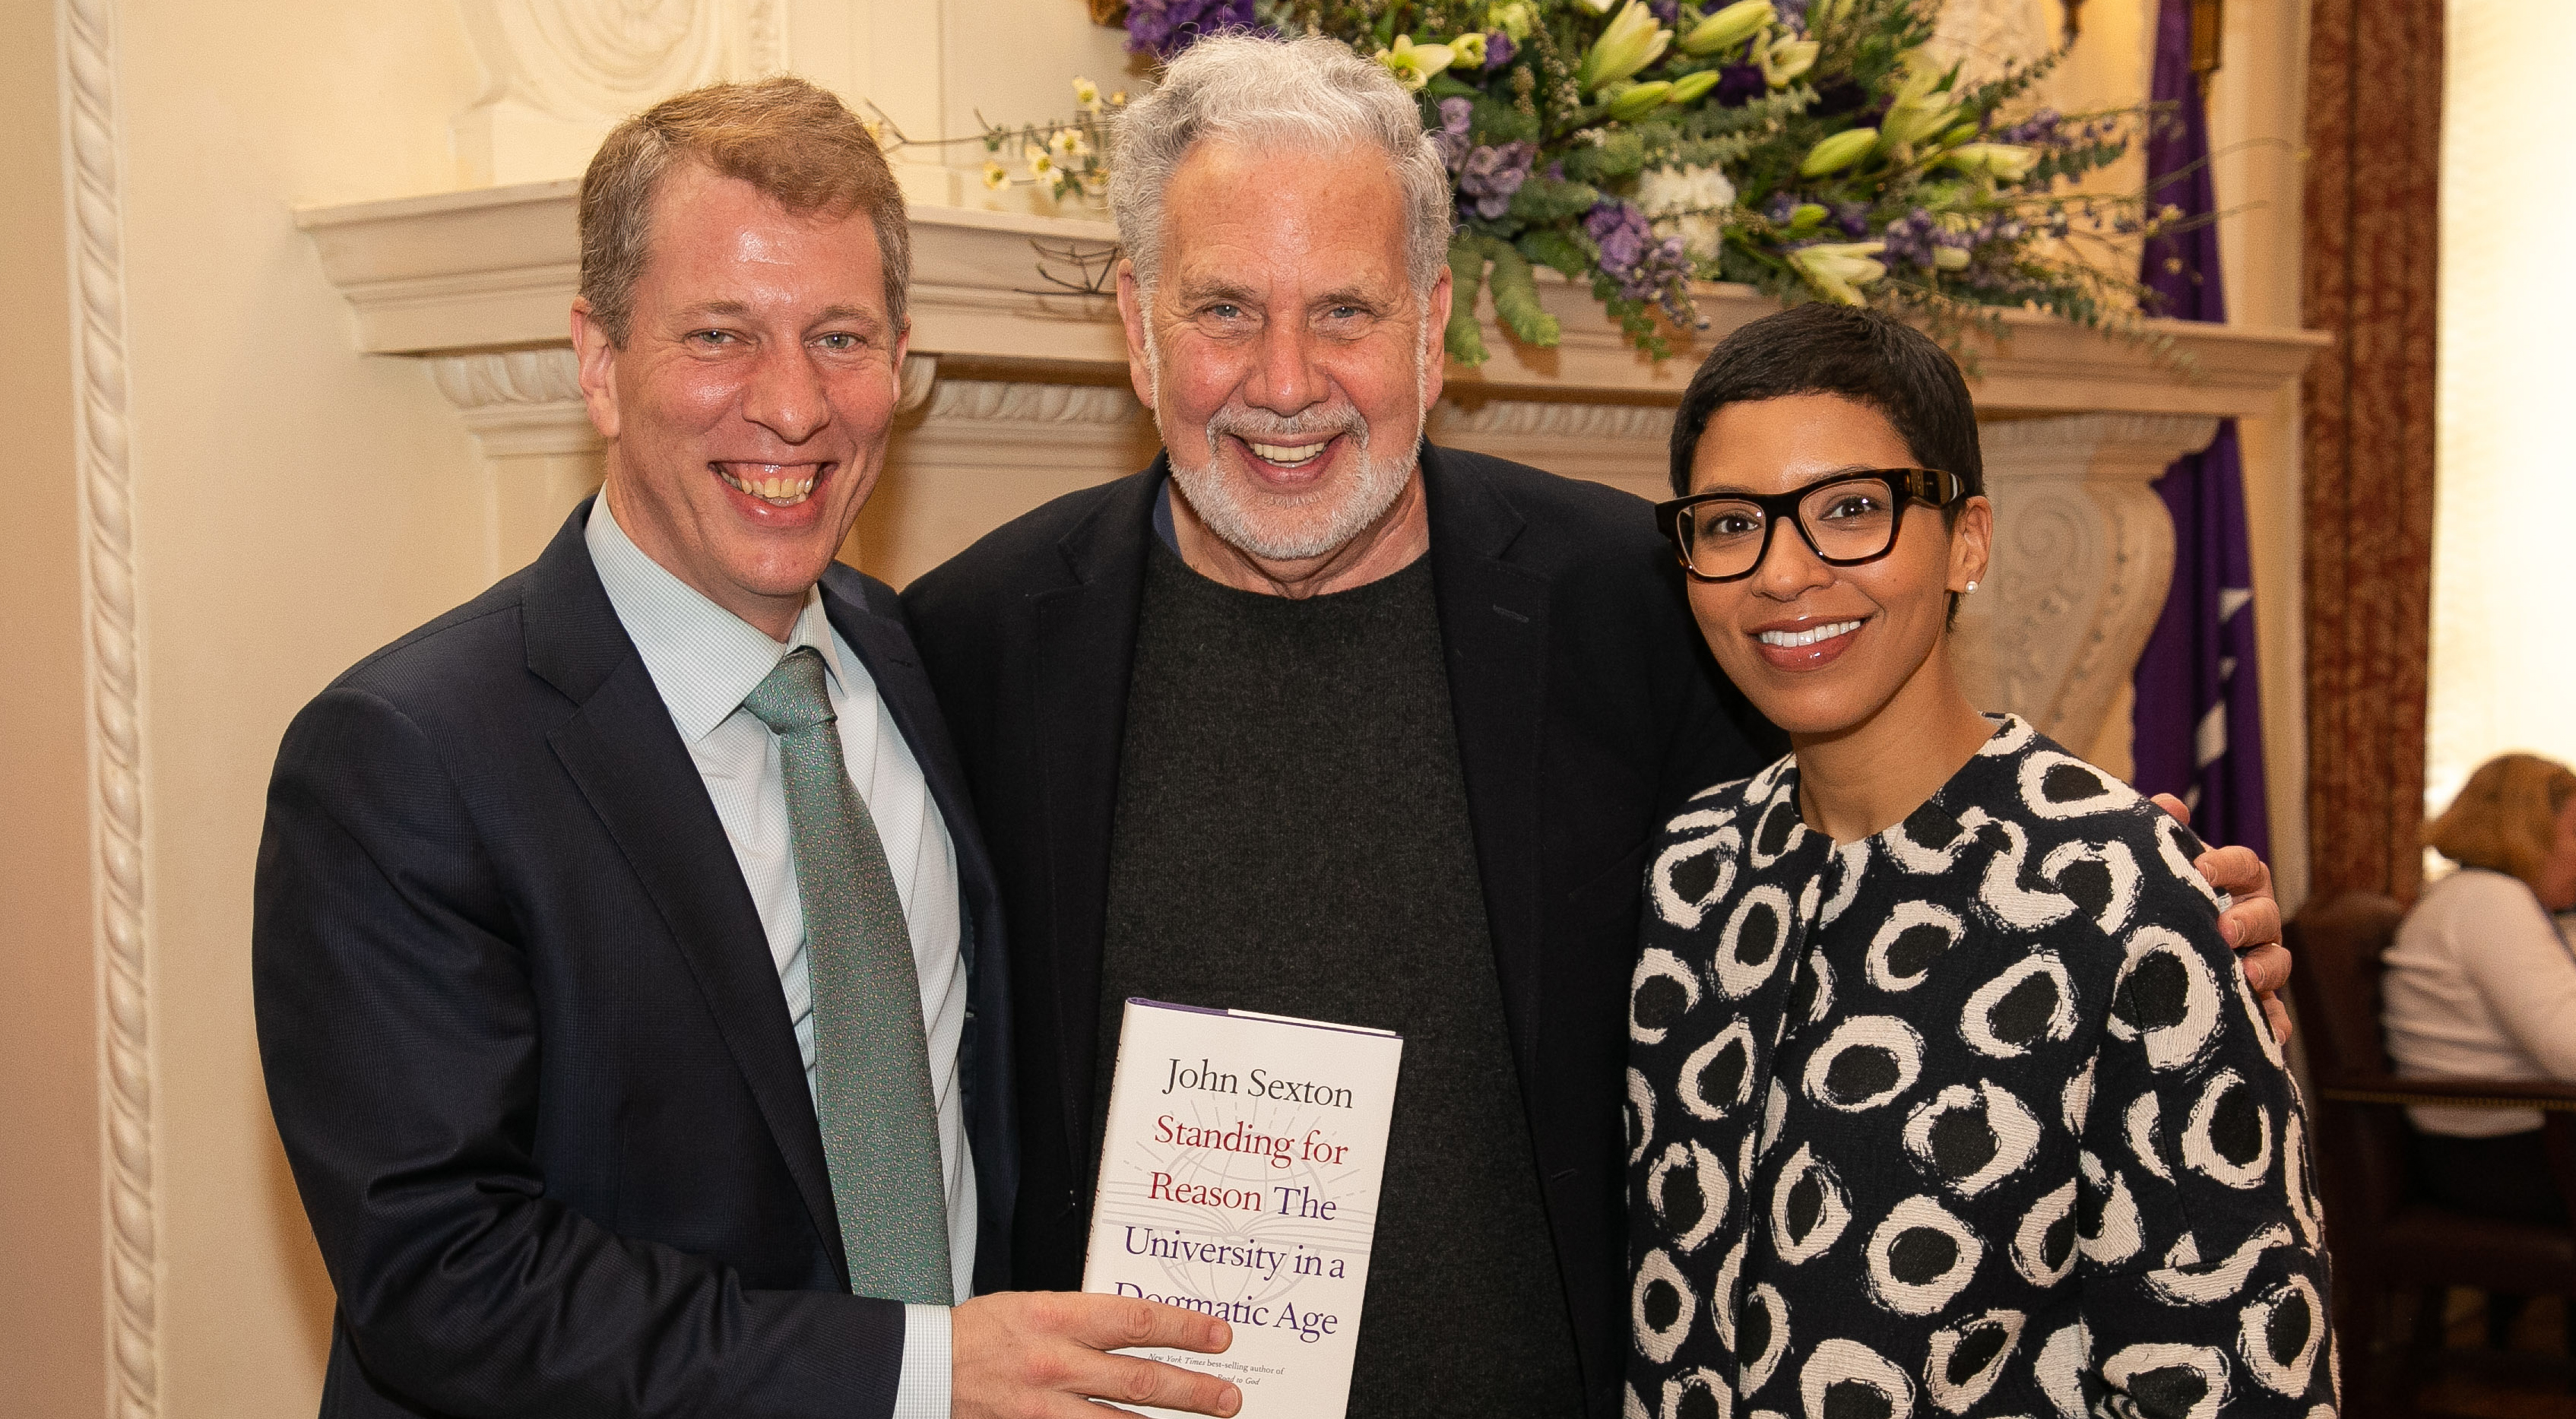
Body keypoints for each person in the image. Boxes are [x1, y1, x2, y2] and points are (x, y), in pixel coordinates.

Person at [902, 32, 2293, 1416]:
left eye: (1343, 311)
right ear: (1138, 335)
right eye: (1222, 311)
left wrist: (2144, 909)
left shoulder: (1641, 599)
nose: (1283, 380)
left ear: (1432, 328)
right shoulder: (977, 638)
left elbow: (1876, 842)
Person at [254, 78, 1239, 1419]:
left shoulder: (922, 665)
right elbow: (447, 1279)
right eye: (720, 335)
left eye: (840, 336)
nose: (791, 406)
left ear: (902, 358)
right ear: (600, 364)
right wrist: (923, 1373)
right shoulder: (403, 760)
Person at [1624, 303, 2333, 1417]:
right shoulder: (1690, 868)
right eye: (1729, 524)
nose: (1784, 571)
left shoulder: (2126, 893)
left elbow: (2239, 1365)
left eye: (1852, 510)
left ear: (1967, 538)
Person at [2384, 752, 2576, 1224]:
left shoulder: (2480, 897)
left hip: (2510, 1142)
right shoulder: (2491, 903)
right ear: (2528, 832)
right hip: (2504, 1156)